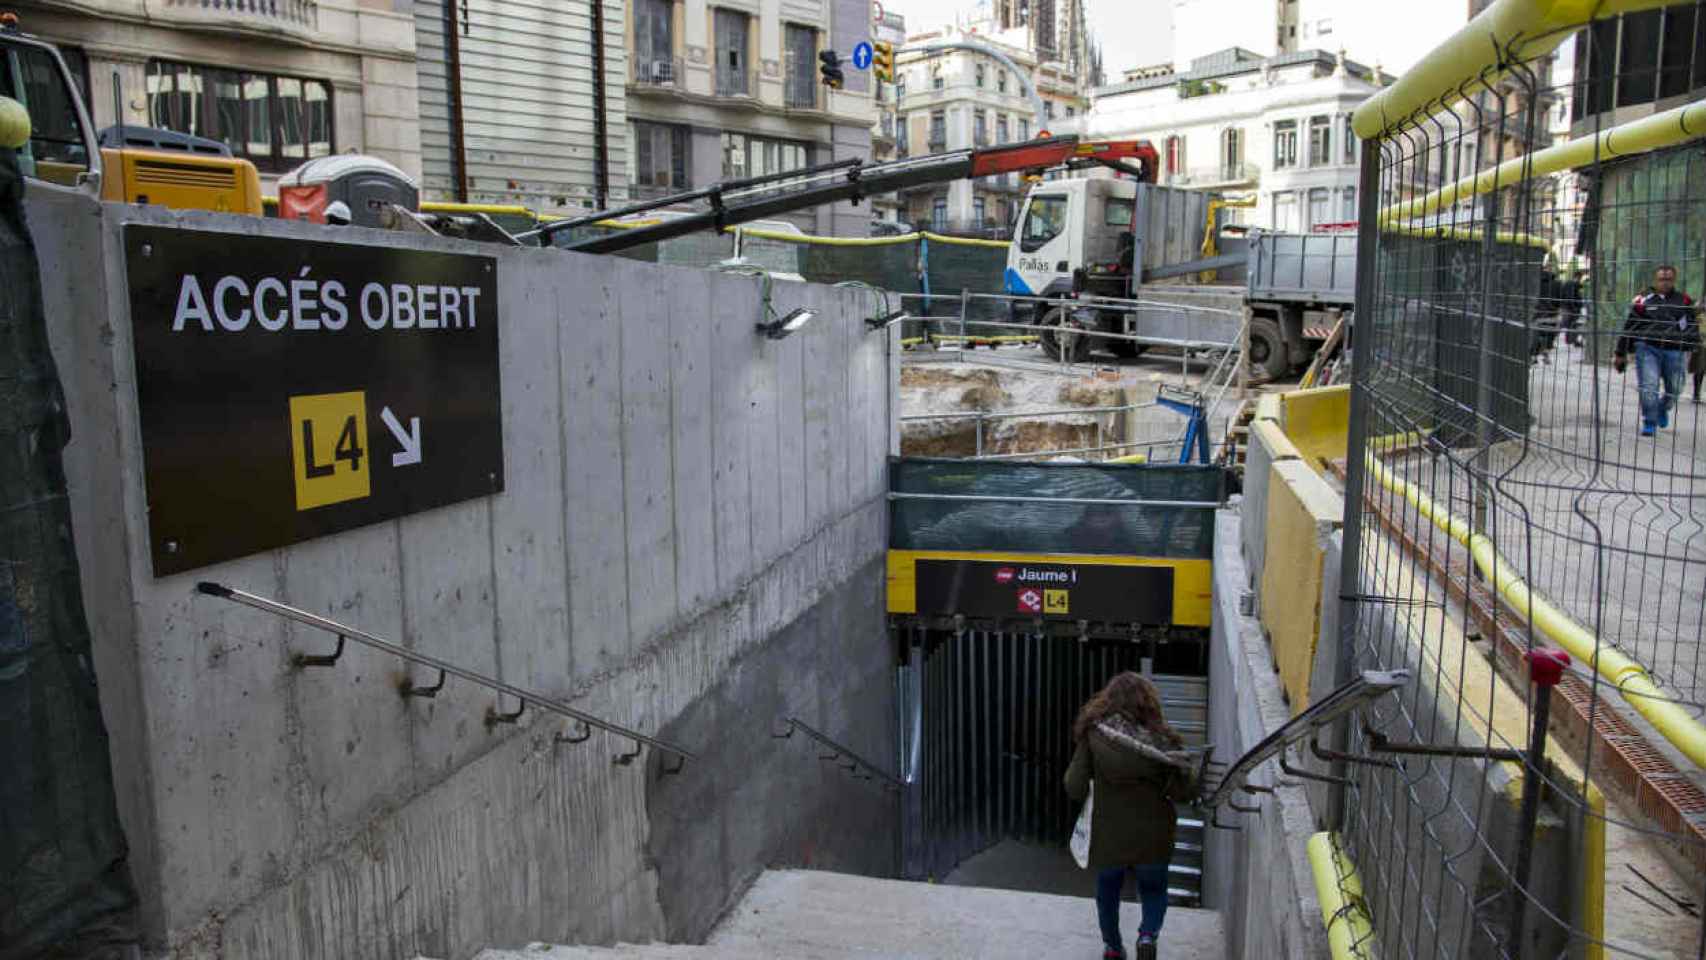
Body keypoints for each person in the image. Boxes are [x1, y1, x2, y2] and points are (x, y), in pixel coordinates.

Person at [1064, 672, 1195, 960]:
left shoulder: (1094, 735)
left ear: (1108, 700)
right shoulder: (1164, 740)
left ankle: (1112, 948)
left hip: (1108, 835)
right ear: (1148, 703)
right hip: (1154, 834)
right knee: (1154, 888)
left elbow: (1073, 786)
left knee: (1107, 892)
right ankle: (1147, 935)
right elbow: (1184, 792)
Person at [1614, 265, 1700, 435]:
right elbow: (1629, 326)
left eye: (1669, 279)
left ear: (1674, 280)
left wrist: (1693, 345)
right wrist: (1620, 353)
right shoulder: (1642, 300)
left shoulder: (1684, 300)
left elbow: (1692, 325)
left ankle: (1662, 408)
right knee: (1648, 386)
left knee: (1675, 389)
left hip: (1675, 350)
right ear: (1655, 280)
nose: (1665, 283)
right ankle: (1650, 421)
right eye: (1662, 279)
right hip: (1647, 348)